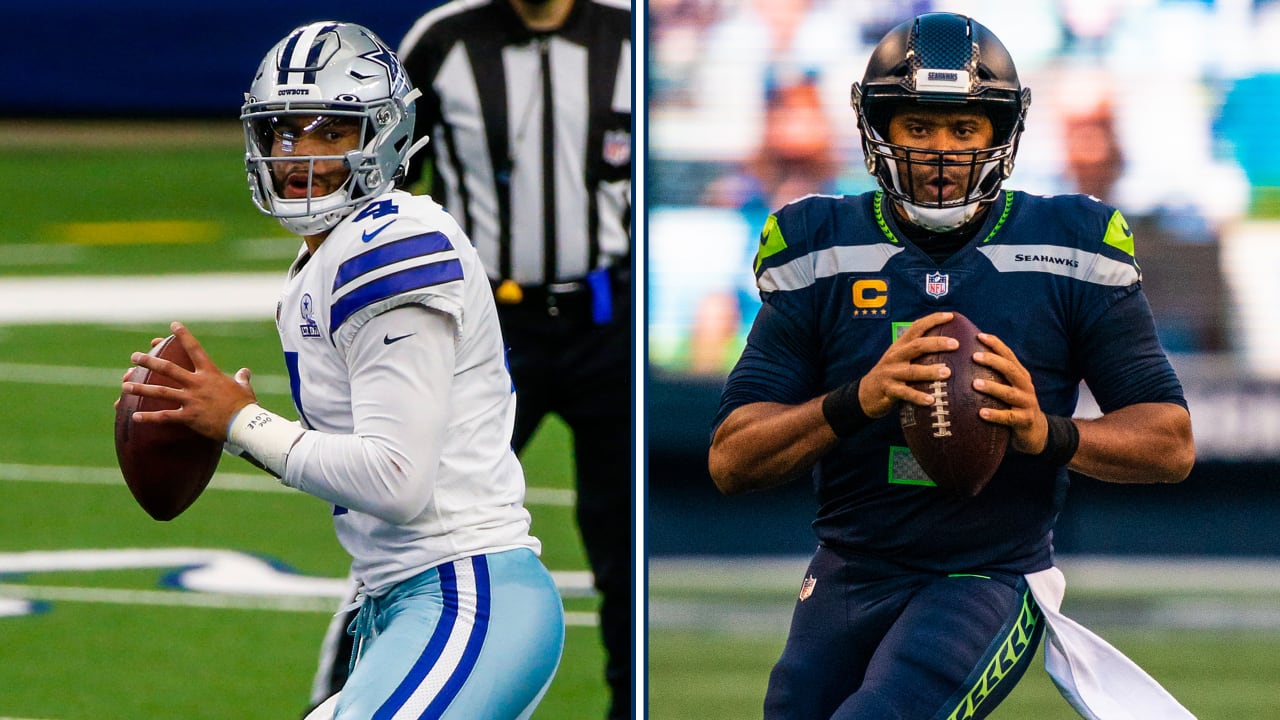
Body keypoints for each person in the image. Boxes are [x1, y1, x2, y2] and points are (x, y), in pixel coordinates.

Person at [707, 12, 1195, 720]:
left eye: (964, 129)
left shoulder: (1071, 244)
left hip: (988, 573)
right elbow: (731, 457)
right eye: (919, 127)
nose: (941, 152)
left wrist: (1048, 432)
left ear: (1001, 136)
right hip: (853, 564)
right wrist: (857, 400)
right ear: (880, 130)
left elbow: (1170, 441)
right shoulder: (819, 243)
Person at [120, 21, 564, 719]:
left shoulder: (392, 246)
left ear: (382, 137)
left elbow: (396, 480)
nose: (298, 155)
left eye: (330, 132)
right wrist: (226, 422)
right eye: (283, 132)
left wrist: (240, 421)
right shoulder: (326, 260)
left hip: (466, 598)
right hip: (402, 603)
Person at [308, 1, 635, 717]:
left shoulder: (627, 36)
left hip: (607, 325)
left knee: (624, 553)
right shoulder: (445, 38)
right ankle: (342, 699)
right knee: (405, 531)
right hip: (484, 328)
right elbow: (382, 172)